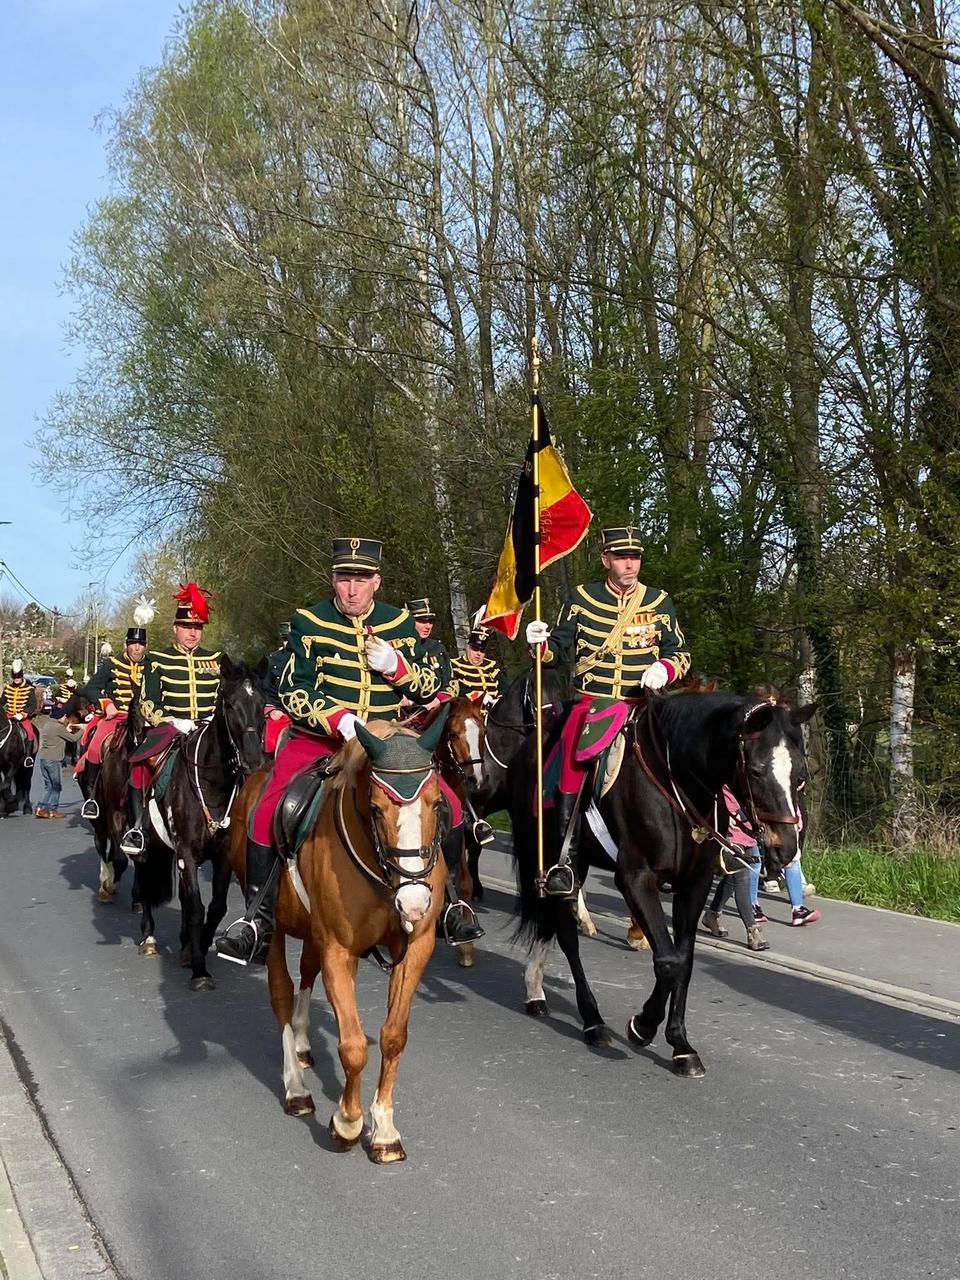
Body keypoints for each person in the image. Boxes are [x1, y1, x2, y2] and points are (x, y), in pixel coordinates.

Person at [216, 536, 478, 966]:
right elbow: (292, 687)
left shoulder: (401, 623)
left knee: (449, 805)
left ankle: (449, 906)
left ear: (376, 581)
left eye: (360, 579)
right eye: (343, 578)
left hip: (390, 740)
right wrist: (337, 719)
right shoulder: (308, 621)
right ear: (332, 579)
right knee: (271, 805)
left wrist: (397, 667)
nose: (351, 589)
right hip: (323, 738)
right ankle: (257, 921)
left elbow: (430, 688)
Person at [525, 526, 691, 885]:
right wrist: (539, 645)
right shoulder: (582, 598)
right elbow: (558, 652)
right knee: (572, 754)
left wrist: (666, 667)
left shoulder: (659, 601)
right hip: (595, 704)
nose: (630, 565)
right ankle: (565, 854)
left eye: (635, 558)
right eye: (621, 557)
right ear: (606, 560)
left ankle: (701, 837)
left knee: (688, 755)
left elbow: (680, 652)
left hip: (643, 706)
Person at [120, 583, 221, 857]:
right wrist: (174, 721)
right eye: (187, 626)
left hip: (208, 730)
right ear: (175, 628)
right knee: (140, 767)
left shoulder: (214, 659)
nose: (192, 633)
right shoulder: (157, 659)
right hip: (171, 730)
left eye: (197, 628)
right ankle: (138, 827)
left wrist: (214, 717)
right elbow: (148, 702)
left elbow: (223, 696)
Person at [77, 599, 153, 819]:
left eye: (140, 644)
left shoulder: (151, 666)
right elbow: (90, 688)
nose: (136, 648)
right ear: (126, 644)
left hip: (145, 721)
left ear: (145, 646)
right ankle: (91, 795)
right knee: (95, 744)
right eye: (132, 643)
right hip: (115, 718)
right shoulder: (112, 664)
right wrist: (106, 704)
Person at [701, 786, 768, 950]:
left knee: (731, 879)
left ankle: (712, 915)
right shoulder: (723, 780)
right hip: (731, 835)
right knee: (741, 880)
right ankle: (752, 930)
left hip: (748, 833)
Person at [34, 705, 83, 818]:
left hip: (44, 758)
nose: (66, 717)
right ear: (59, 716)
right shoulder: (58, 727)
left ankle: (41, 808)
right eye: (64, 715)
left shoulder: (48, 724)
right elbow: (73, 738)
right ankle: (53, 809)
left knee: (48, 786)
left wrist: (67, 729)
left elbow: (58, 734)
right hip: (53, 759)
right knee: (56, 786)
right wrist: (82, 730)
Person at [449, 624, 506, 705]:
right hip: (467, 710)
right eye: (475, 649)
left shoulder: (492, 666)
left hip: (493, 711)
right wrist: (479, 696)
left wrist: (499, 700)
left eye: (482, 650)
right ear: (467, 648)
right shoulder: (455, 665)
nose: (478, 653)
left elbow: (504, 687)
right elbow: (456, 691)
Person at [406, 597, 452, 688]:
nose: (428, 626)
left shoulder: (437, 647)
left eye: (430, 622)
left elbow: (450, 683)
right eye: (422, 621)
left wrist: (438, 700)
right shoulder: (399, 646)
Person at [262, 621, 292, 755]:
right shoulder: (272, 660)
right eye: (285, 639)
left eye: (291, 639)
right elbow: (265, 689)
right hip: (279, 712)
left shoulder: (309, 660)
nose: (288, 643)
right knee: (270, 742)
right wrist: (271, 710)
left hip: (304, 714)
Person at [1, 659, 40, 762]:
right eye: (14, 677)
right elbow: (2, 702)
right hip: (9, 715)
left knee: (30, 733)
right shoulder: (8, 688)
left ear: (22, 675)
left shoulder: (29, 689)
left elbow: (32, 705)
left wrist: (23, 714)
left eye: (18, 676)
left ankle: (28, 757)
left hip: (22, 717)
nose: (16, 679)